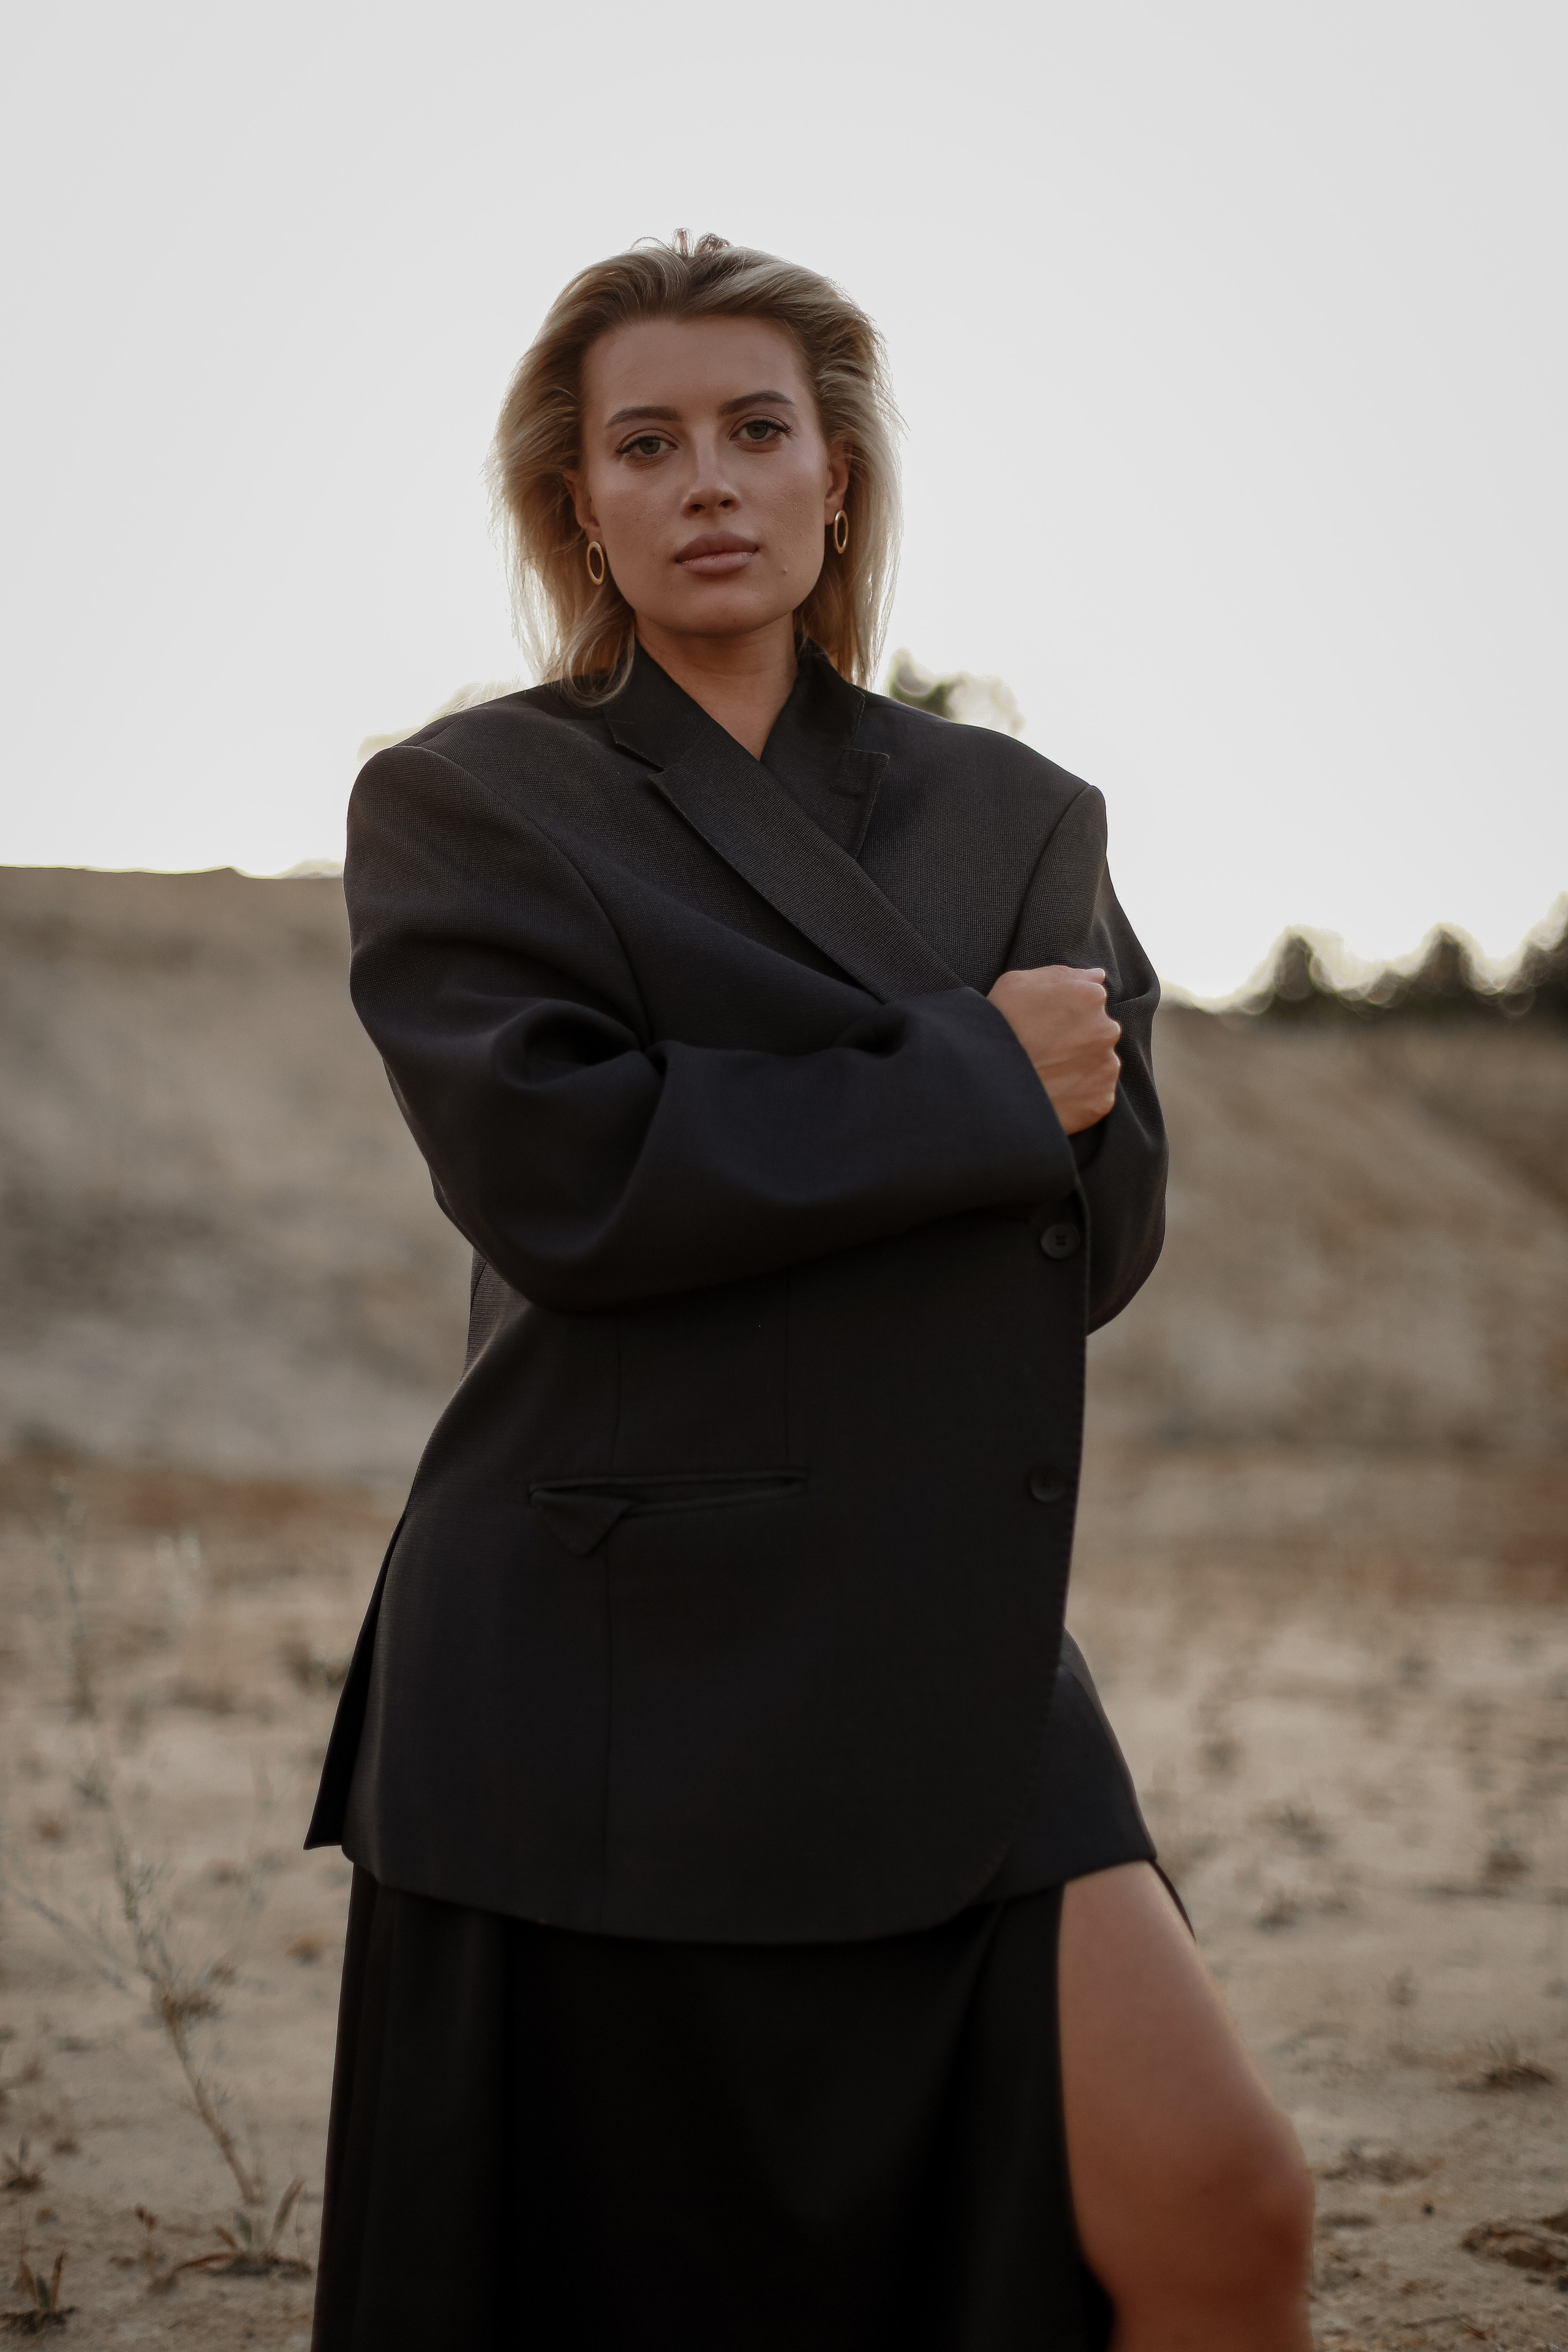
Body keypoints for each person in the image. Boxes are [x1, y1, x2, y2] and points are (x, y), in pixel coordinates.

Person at [306, 232, 1314, 2351]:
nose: (709, 482)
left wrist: (809, 1125)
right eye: (645, 442)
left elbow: (1096, 1238)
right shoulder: (470, 801)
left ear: (836, 476)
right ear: (575, 503)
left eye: (759, 430)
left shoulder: (1014, 813)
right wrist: (969, 1077)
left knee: (1226, 2207)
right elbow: (572, 1188)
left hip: (940, 1622)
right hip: (587, 1655)